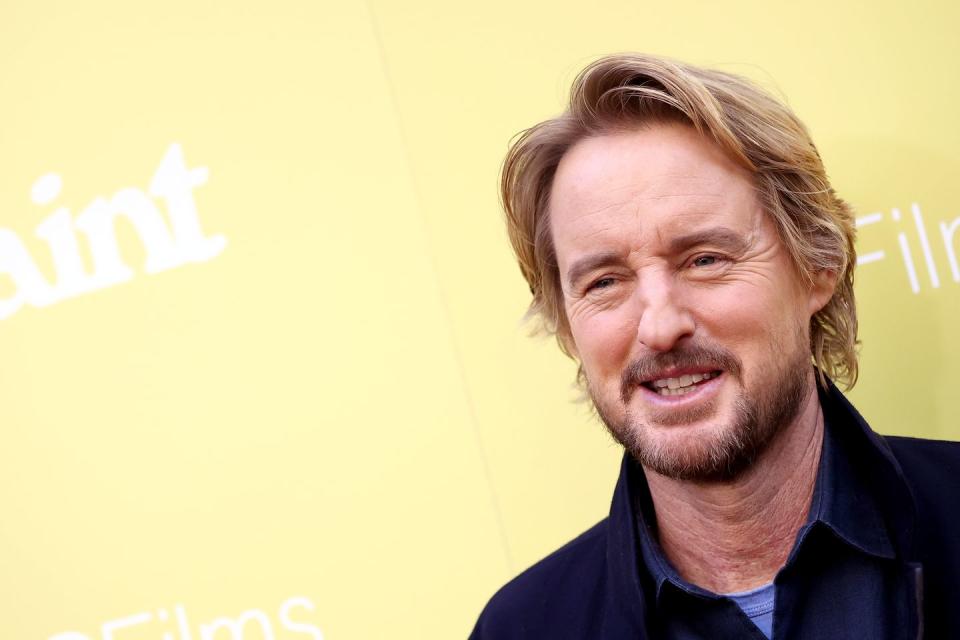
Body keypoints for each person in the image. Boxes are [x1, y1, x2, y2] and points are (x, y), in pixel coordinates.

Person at [469, 53, 960, 639]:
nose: (659, 325)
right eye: (604, 282)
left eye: (705, 259)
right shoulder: (525, 629)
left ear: (817, 266)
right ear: (570, 327)